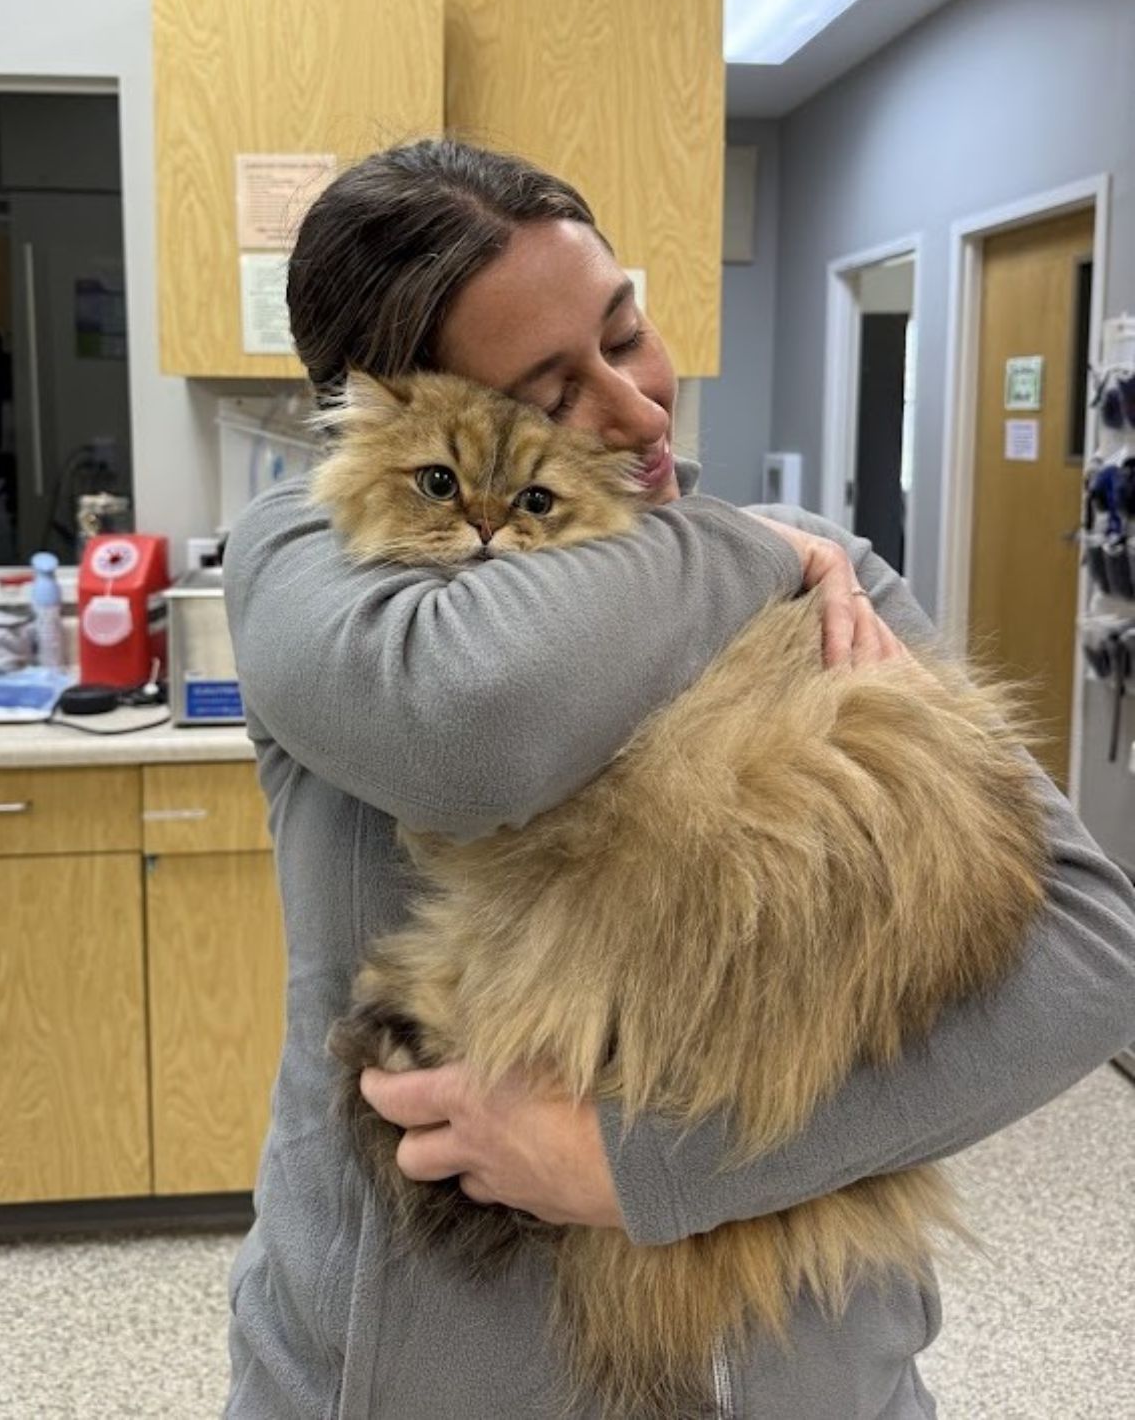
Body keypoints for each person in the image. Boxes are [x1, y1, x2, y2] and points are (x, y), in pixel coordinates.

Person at [222, 139, 1135, 1420]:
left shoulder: (827, 573)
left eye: (626, 330)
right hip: (421, 1379)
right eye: (548, 391)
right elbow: (476, 724)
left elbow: (1094, 962)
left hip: (804, 1373)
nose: (643, 410)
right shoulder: (312, 562)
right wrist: (753, 546)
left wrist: (643, 1162)